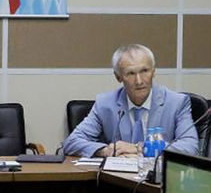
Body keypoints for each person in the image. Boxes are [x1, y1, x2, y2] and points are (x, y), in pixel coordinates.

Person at [63, 44, 198, 157]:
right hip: (117, 178)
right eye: (131, 73)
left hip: (157, 178)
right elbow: (72, 142)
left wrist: (140, 148)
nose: (139, 81)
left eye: (144, 71)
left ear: (154, 71)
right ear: (118, 77)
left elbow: (190, 147)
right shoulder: (105, 104)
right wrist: (106, 151)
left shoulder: (176, 103)